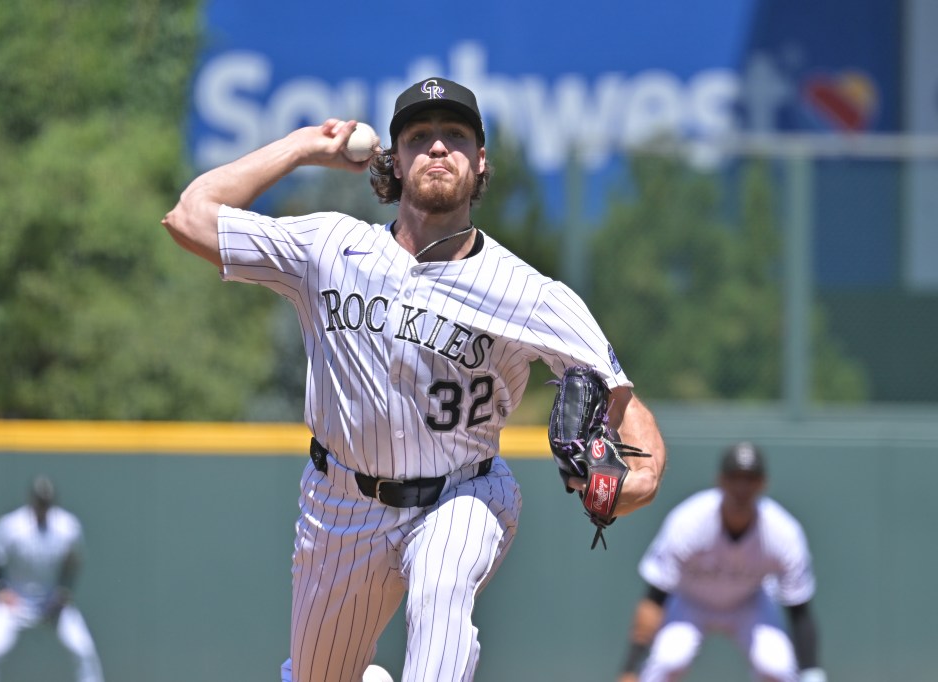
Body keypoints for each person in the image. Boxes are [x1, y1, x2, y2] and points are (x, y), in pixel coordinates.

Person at [162, 75, 666, 682]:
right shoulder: (329, 247)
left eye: (455, 135)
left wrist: (635, 479)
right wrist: (299, 146)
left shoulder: (528, 293)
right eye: (418, 136)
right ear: (393, 163)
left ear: (482, 163)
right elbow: (189, 217)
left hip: (463, 494)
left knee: (440, 591)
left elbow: (619, 396)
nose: (436, 147)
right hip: (340, 505)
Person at [617, 442, 826, 682]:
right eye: (735, 477)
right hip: (690, 600)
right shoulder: (688, 521)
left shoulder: (782, 532)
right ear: (721, 481)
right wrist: (630, 667)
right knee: (669, 660)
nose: (741, 486)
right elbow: (655, 597)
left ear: (763, 483)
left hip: (749, 602)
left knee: (776, 666)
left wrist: (812, 673)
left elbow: (799, 610)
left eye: (749, 478)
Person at [0, 475, 104, 682]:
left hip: (50, 599)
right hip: (16, 600)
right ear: (32, 501)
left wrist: (64, 590)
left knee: (83, 648)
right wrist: (1, 588)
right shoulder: (12, 525)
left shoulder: (66, 526)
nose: (43, 506)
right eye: (40, 501)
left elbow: (73, 559)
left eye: (46, 502)